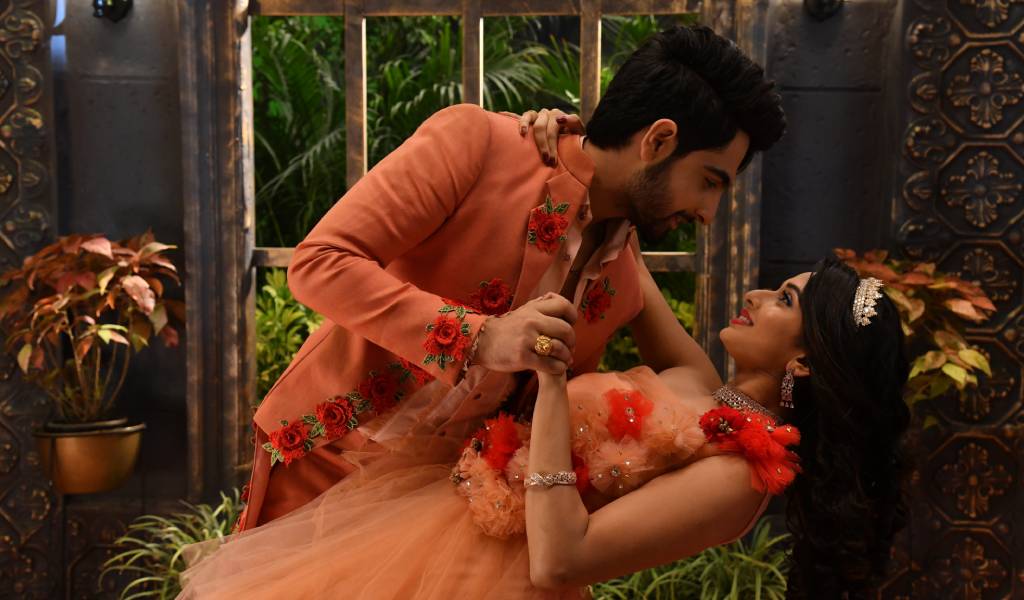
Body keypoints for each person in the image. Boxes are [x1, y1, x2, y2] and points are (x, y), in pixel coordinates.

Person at [236, 24, 786, 532]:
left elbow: (698, 388)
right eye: (709, 181)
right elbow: (320, 262)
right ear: (658, 141)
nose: (709, 214)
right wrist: (482, 337)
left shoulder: (622, 276)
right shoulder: (480, 144)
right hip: (321, 461)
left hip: (433, 521)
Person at [178, 257, 910, 599]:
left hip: (486, 582)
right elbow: (621, 246)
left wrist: (554, 385)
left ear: (805, 360)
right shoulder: (695, 378)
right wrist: (558, 144)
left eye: (782, 299)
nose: (754, 293)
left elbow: (561, 561)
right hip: (420, 523)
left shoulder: (739, 478)